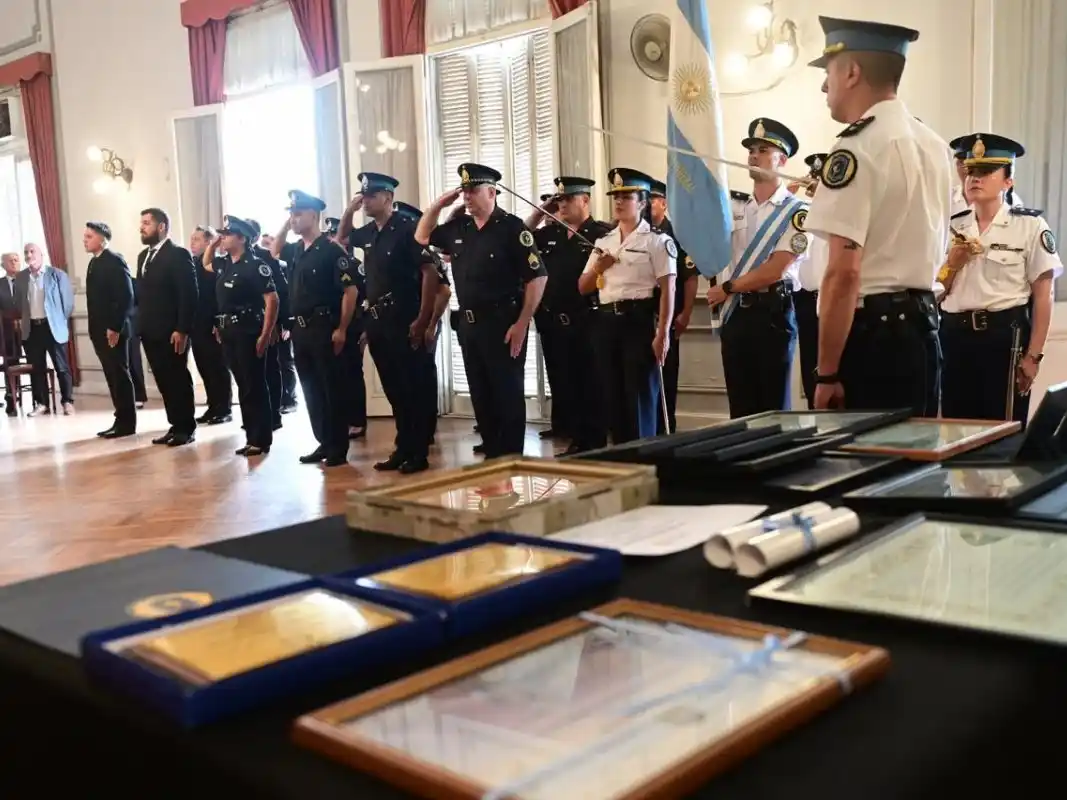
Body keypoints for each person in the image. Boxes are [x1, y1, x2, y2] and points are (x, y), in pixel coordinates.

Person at [804, 17, 950, 416]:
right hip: (922, 329)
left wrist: (827, 374)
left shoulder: (856, 147)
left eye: (829, 72)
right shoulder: (934, 146)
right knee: (914, 466)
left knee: (862, 470)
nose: (824, 85)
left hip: (873, 338)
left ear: (851, 72)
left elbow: (843, 273)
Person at [416, 163, 547, 458]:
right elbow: (422, 236)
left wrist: (523, 323)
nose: (467, 197)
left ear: (492, 192)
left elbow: (538, 276)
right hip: (469, 322)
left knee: (507, 389)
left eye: (473, 191)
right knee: (480, 388)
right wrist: (440, 203)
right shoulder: (459, 227)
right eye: (464, 192)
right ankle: (491, 445)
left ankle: (511, 453)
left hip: (503, 321)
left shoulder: (512, 228)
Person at [938, 134, 1060, 423]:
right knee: (955, 430)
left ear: (1008, 181)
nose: (974, 179)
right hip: (954, 336)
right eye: (970, 172)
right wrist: (952, 266)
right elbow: (935, 291)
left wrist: (1033, 357)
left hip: (1004, 338)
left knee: (1001, 431)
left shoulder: (1028, 225)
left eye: (986, 172)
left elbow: (1044, 294)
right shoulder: (950, 225)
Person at [706, 118, 809, 418]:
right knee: (740, 408)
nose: (753, 155)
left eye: (763, 149)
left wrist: (727, 288)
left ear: (782, 159)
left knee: (772, 409)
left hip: (772, 314)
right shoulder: (734, 208)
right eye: (751, 149)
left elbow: (776, 268)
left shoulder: (798, 213)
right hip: (737, 314)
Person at [341, 173, 440, 474]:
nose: (366, 201)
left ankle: (418, 452)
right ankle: (403, 448)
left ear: (388, 198)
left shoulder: (408, 229)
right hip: (378, 321)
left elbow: (431, 273)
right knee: (394, 389)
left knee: (414, 388)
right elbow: (343, 239)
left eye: (371, 196)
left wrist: (423, 320)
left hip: (404, 318)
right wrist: (348, 211)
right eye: (364, 196)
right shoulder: (370, 232)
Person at [578, 168, 676, 443]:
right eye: (616, 197)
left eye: (626, 196)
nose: (619, 202)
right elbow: (583, 287)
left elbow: (669, 288)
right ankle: (623, 461)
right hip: (606, 322)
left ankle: (645, 461)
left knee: (640, 396)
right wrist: (599, 267)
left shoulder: (657, 241)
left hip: (638, 321)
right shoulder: (603, 242)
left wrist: (663, 333)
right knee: (613, 396)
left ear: (642, 202)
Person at [527, 177, 614, 452]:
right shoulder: (550, 234)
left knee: (592, 384)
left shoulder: (600, 233)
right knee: (566, 384)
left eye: (567, 199)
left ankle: (594, 441)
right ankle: (577, 439)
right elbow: (519, 235)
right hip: (554, 322)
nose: (561, 205)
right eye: (559, 200)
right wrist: (542, 210)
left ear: (585, 200)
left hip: (588, 319)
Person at [285, 190, 360, 467]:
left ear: (314, 216)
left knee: (332, 390)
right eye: (291, 214)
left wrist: (342, 328)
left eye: (297, 214)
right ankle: (324, 442)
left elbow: (350, 292)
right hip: (301, 330)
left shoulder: (330, 250)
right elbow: (274, 250)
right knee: (311, 391)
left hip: (324, 327)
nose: (292, 219)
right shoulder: (297, 251)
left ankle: (338, 447)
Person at [210, 217, 279, 456]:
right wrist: (214, 243)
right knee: (243, 385)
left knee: (254, 385)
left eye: (228, 235)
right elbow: (205, 263)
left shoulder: (255, 265)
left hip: (249, 332)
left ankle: (261, 439)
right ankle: (252, 436)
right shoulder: (226, 264)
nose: (223, 238)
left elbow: (272, 299)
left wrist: (266, 333)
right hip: (229, 332)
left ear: (242, 238)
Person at [135, 207, 199, 445]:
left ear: (161, 227)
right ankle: (174, 424)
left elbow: (188, 294)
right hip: (149, 331)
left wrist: (182, 329)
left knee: (177, 379)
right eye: (141, 223)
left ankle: (186, 428)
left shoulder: (178, 254)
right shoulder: (143, 256)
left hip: (173, 331)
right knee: (163, 380)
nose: (141, 227)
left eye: (147, 223)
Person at [395, 200, 452, 444]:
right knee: (407, 378)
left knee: (422, 376)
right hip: (407, 320)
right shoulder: (403, 252)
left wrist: (430, 323)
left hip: (425, 322)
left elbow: (444, 292)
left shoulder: (427, 253)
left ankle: (425, 430)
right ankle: (411, 431)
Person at [648, 178, 698, 434]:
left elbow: (690, 278)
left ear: (664, 204)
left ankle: (667, 431)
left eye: (652, 199)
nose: (646, 203)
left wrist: (686, 313)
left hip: (668, 318)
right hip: (641, 317)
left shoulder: (678, 235)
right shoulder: (637, 233)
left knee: (666, 377)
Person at [83, 222, 136, 437]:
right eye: (84, 236)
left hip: (113, 331)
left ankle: (127, 423)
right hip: (99, 330)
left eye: (89, 236)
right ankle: (119, 419)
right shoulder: (93, 263)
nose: (84, 240)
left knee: (120, 375)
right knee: (112, 376)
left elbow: (126, 296)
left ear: (103, 238)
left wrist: (114, 327)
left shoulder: (114, 260)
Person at [15, 243, 75, 416]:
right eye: (26, 252)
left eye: (32, 251)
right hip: (32, 329)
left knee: (61, 367)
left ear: (41, 254)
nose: (28, 255)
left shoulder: (56, 274)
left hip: (52, 327)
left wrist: (58, 321)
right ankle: (42, 403)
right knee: (37, 368)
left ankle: (67, 401)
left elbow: (68, 304)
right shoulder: (21, 277)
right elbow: (20, 304)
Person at [794, 153, 828, 409]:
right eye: (812, 179)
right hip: (805, 301)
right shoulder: (799, 214)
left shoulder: (838, 216)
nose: (813, 185)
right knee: (810, 372)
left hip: (831, 299)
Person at [189, 225, 233, 425]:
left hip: (213, 324)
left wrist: (218, 321)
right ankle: (212, 405)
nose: (192, 243)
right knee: (204, 367)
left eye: (197, 239)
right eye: (192, 239)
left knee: (217, 368)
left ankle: (224, 408)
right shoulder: (192, 263)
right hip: (197, 324)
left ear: (209, 242)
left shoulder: (214, 265)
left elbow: (219, 296)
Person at [248, 218, 288, 431]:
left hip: (266, 322)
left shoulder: (264, 256)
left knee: (270, 370)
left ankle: (274, 415)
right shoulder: (230, 259)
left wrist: (276, 325)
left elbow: (279, 290)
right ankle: (255, 418)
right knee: (250, 375)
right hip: (243, 327)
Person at [0, 253, 21, 415]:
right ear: (2, 265)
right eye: (10, 261)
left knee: (36, 361)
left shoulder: (29, 281)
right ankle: (11, 397)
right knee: (11, 363)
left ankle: (40, 400)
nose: (14, 263)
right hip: (6, 333)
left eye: (16, 260)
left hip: (29, 331)